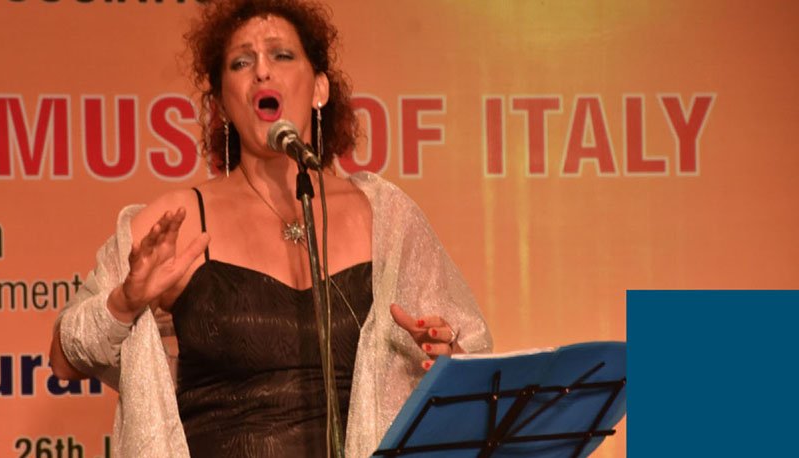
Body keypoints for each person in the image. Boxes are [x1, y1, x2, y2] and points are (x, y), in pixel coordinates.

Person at [49, 0, 492, 456]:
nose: (262, 71)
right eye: (241, 62)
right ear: (222, 103)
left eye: (281, 55)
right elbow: (63, 359)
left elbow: (471, 367)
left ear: (319, 89)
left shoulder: (385, 217)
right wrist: (124, 303)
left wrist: (442, 357)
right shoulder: (179, 219)